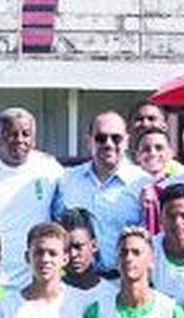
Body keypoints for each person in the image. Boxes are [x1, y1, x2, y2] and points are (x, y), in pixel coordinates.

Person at [0, 106, 63, 287]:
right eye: (11, 134)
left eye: (26, 134)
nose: (19, 140)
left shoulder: (50, 169)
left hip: (35, 279)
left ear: (33, 140)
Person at [54, 111, 151, 273]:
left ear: (126, 141)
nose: (108, 144)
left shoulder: (143, 184)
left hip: (125, 281)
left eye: (116, 138)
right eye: (101, 138)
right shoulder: (67, 181)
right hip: (78, 283)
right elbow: (56, 229)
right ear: (89, 141)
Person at [83, 227, 184, 318]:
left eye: (136, 253)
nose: (129, 258)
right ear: (117, 261)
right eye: (123, 253)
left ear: (151, 260)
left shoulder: (173, 314)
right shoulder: (96, 313)